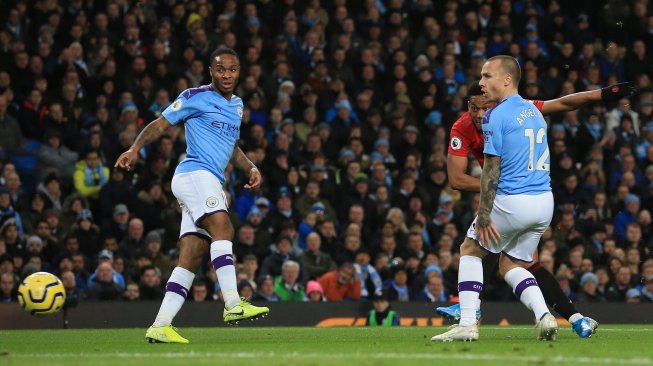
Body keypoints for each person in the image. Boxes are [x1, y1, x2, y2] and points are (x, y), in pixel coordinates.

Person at [436, 76, 635, 339]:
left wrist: (602, 95)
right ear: (467, 105)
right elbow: (456, 179)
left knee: (476, 247)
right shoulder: (463, 128)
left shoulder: (513, 112)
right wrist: (493, 186)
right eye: (474, 108)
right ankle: (566, 318)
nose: (479, 114)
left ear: (496, 101)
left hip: (517, 195)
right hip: (528, 197)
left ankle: (469, 313)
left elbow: (563, 103)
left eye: (485, 107)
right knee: (517, 263)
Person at [115, 47, 268, 344]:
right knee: (224, 228)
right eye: (221, 69)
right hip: (194, 175)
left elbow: (230, 146)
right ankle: (233, 304)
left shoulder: (237, 104)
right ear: (210, 71)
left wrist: (249, 166)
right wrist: (135, 148)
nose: (227, 75)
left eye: (233, 69)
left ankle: (161, 325)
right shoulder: (193, 96)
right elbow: (160, 124)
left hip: (206, 180)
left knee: (193, 254)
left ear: (239, 72)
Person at [432, 56, 566, 342]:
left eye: (486, 76)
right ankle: (544, 316)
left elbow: (491, 169)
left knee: (470, 249)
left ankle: (468, 321)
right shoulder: (531, 110)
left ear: (505, 79)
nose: (482, 82)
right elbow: (564, 104)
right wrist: (604, 94)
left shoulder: (498, 115)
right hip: (545, 200)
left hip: (513, 200)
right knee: (510, 264)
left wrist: (483, 213)